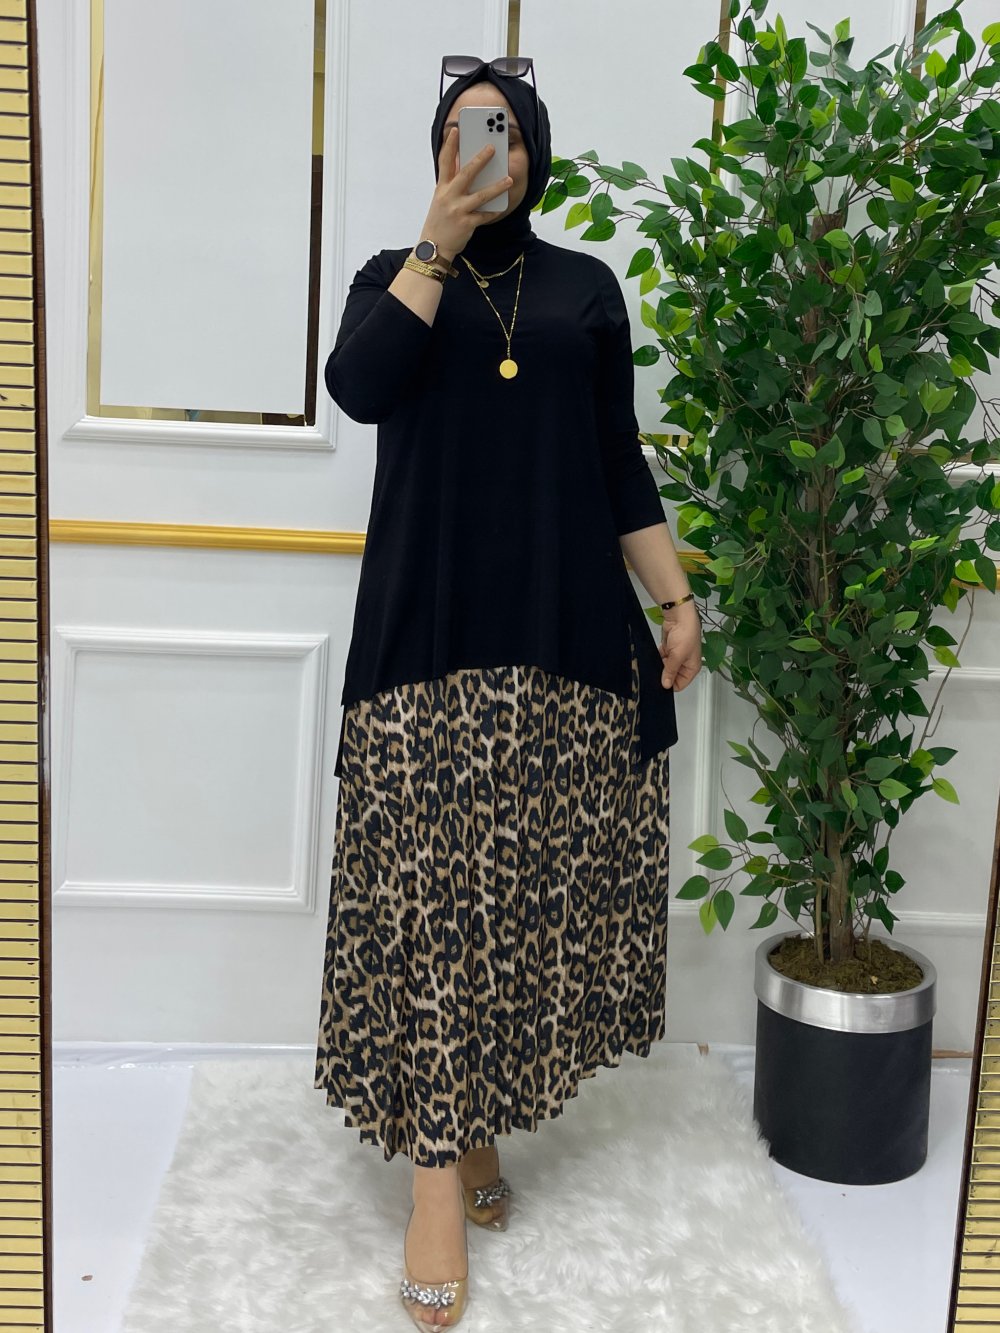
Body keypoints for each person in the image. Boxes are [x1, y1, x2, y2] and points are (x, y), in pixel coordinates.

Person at [313, 56, 703, 1328]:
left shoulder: (585, 290)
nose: (484, 150)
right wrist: (436, 240)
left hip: (560, 640)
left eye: (503, 133)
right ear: (438, 153)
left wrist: (675, 600)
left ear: (535, 148)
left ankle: (472, 1121)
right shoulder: (392, 276)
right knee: (432, 905)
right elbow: (359, 387)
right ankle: (436, 1177)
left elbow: (616, 460)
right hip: (423, 644)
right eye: (460, 133)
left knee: (515, 902)